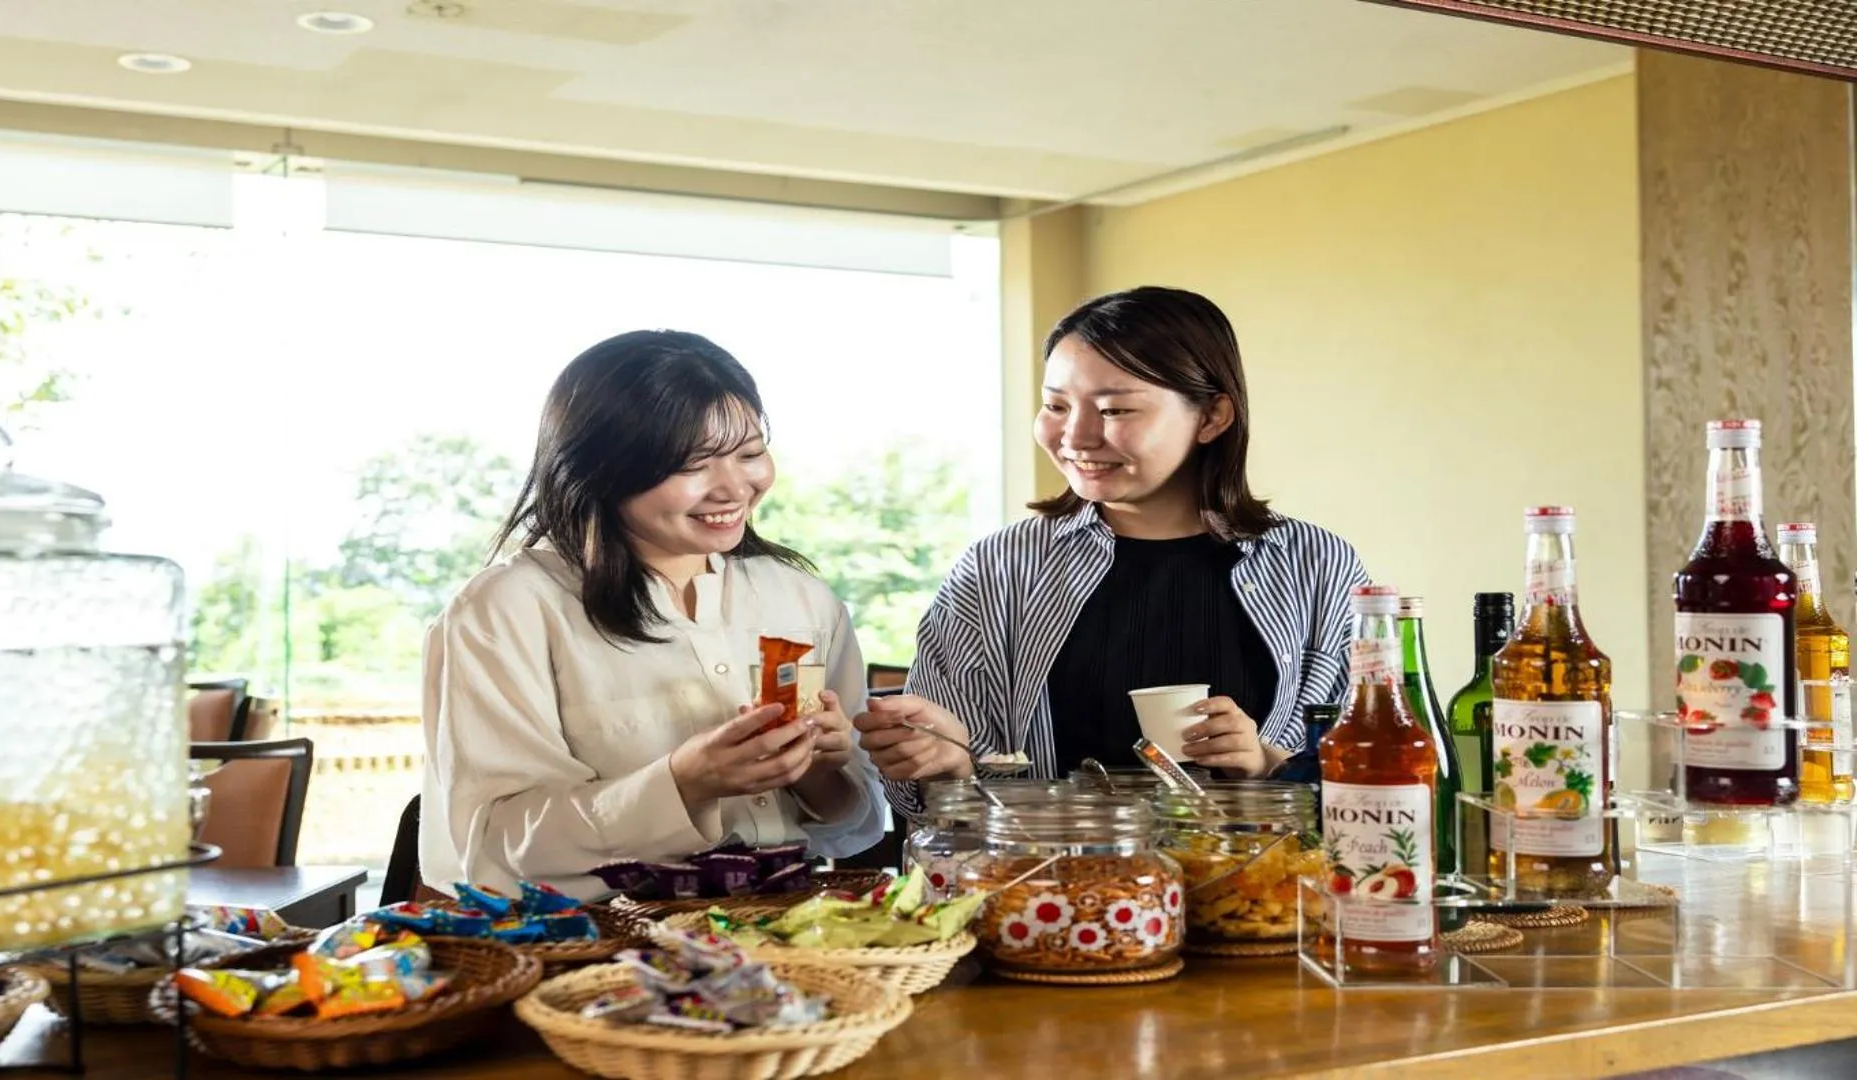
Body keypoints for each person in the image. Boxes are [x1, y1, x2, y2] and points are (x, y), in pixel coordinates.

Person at [854, 286, 1369, 817]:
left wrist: (1266, 764)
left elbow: (1374, 781)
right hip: (1050, 891)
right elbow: (939, 806)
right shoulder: (999, 569)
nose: (1074, 436)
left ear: (1212, 417)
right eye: (1055, 405)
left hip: (1253, 891)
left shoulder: (1316, 566)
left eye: (1114, 409)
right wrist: (943, 764)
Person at [419, 330, 885, 899]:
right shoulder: (507, 610)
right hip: (591, 950)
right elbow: (490, 845)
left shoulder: (801, 601)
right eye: (694, 464)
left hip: (788, 933)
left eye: (750, 453)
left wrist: (815, 765)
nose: (735, 487)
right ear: (601, 467)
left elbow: (851, 827)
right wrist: (682, 784)